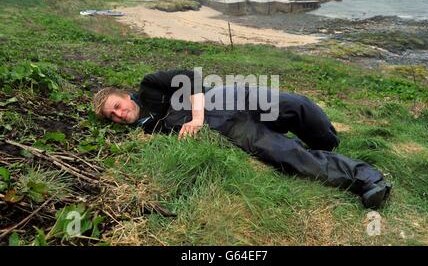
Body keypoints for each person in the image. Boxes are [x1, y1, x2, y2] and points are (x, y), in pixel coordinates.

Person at [92, 69, 391, 209]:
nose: (119, 114)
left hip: (228, 96)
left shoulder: (149, 87)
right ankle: (368, 179)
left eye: (117, 106)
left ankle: (328, 145)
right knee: (286, 154)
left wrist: (196, 117)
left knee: (296, 106)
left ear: (124, 95)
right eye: (112, 117)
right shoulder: (148, 132)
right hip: (228, 128)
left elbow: (191, 78)